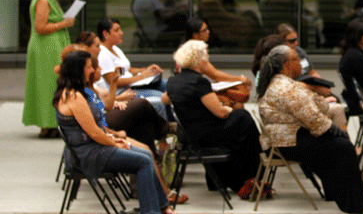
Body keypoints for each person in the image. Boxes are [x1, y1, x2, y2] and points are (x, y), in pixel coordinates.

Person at [257, 45, 363, 214]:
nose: (301, 63)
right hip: (287, 143)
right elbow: (313, 119)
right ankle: (360, 205)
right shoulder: (287, 88)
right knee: (343, 147)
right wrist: (333, 128)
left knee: (337, 146)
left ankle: (346, 197)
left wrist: (319, 98)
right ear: (286, 64)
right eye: (297, 59)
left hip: (287, 139)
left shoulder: (284, 83)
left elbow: (318, 108)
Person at [53, 50, 177, 214]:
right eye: (89, 67)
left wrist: (115, 139)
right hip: (91, 154)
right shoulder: (73, 97)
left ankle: (161, 208)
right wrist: (115, 142)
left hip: (95, 148)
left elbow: (98, 127)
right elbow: (95, 133)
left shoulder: (78, 92)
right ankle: (153, 210)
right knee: (144, 161)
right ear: (78, 70)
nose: (91, 70)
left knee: (146, 154)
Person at [163, 40, 263, 194]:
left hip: (190, 133)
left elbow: (165, 99)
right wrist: (229, 108)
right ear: (199, 61)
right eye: (206, 58)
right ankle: (248, 179)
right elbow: (220, 113)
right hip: (206, 134)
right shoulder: (199, 82)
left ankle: (220, 180)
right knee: (243, 118)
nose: (207, 62)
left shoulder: (173, 81)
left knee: (240, 119)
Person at [23, 0, 74, 138]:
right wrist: (63, 24)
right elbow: (39, 27)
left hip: (51, 47)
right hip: (45, 49)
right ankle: (47, 124)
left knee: (52, 84)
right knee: (47, 84)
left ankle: (52, 124)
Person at [275, 23, 348, 130]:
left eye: (296, 39)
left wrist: (323, 84)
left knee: (335, 99)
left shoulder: (299, 51)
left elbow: (312, 72)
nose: (296, 43)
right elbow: (289, 86)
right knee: (337, 110)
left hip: (311, 90)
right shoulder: (279, 60)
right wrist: (316, 89)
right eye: (292, 41)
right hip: (299, 99)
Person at [95, 18, 168, 120]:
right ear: (105, 34)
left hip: (135, 85)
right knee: (162, 98)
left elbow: (128, 69)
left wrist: (146, 70)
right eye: (117, 30)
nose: (121, 33)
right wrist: (142, 77)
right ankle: (166, 128)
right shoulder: (103, 54)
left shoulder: (115, 48)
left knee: (167, 85)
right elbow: (115, 81)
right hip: (124, 91)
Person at [177, 18, 252, 87]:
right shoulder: (195, 51)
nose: (208, 32)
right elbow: (215, 75)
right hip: (190, 88)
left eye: (207, 29)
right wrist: (239, 79)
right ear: (195, 35)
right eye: (204, 30)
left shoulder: (185, 46)